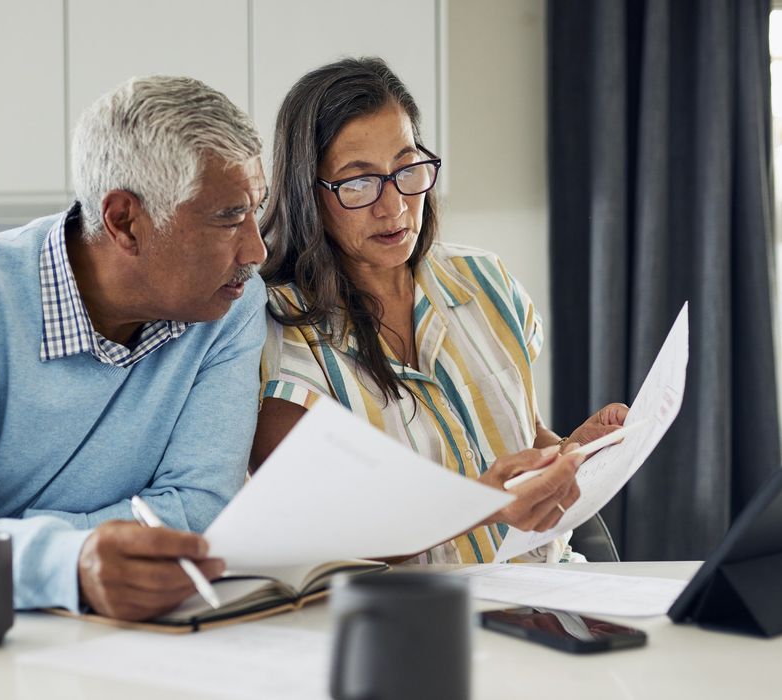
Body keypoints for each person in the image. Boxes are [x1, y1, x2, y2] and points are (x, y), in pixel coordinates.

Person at [0, 75, 269, 622]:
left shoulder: (230, 303)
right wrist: (69, 565)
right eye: (229, 217)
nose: (255, 249)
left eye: (255, 209)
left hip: (135, 639)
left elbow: (199, 513)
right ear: (125, 222)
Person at [252, 57, 626, 564]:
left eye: (407, 169)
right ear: (308, 193)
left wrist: (570, 453)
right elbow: (320, 533)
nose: (394, 207)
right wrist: (482, 506)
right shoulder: (274, 335)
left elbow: (523, 432)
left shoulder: (485, 280)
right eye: (358, 183)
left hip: (550, 593)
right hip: (413, 622)